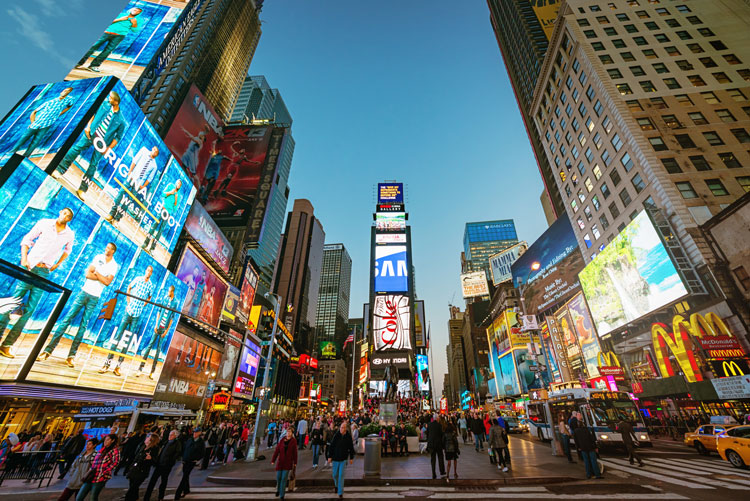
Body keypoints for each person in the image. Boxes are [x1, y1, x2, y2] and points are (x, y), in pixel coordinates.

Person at [0, 208, 75, 359]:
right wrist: (24, 259)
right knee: (13, 304)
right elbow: (27, 240)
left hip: (44, 272)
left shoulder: (69, 234)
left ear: (70, 219)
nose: (65, 216)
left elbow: (68, 250)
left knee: (29, 310)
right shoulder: (45, 223)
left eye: (69, 216)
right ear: (60, 213)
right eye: (64, 213)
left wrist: (56, 265)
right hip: (30, 267)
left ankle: (6, 345)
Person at [39, 242, 118, 368]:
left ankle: (71, 356)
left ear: (113, 251)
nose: (106, 249)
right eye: (106, 247)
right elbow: (88, 274)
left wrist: (96, 273)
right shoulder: (98, 257)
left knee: (83, 326)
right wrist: (100, 276)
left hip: (94, 298)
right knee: (66, 320)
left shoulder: (114, 265)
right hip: (83, 293)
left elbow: (108, 282)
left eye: (109, 248)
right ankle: (47, 351)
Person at [56, 91, 126, 198]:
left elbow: (118, 137)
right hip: (92, 133)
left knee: (93, 165)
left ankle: (82, 190)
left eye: (110, 98)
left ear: (116, 102)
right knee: (76, 149)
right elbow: (93, 115)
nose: (108, 99)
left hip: (102, 143)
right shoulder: (104, 104)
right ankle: (59, 170)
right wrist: (88, 127)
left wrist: (108, 149)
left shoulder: (121, 120)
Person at [98, 266, 155, 376]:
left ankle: (118, 367)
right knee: (117, 337)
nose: (148, 272)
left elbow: (149, 297)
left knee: (127, 342)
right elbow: (129, 288)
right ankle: (107, 364)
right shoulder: (138, 279)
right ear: (145, 271)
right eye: (147, 270)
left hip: (137, 315)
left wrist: (143, 305)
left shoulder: (150, 285)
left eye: (150, 271)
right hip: (128, 311)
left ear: (151, 273)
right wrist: (128, 301)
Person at [11, 87, 75, 158]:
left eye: (67, 91)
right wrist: (32, 122)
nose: (65, 92)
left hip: (46, 125)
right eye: (64, 90)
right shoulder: (49, 102)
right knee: (23, 139)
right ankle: (11, 154)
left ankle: (25, 156)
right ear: (61, 92)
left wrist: (60, 113)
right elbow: (34, 112)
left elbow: (70, 105)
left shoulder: (68, 100)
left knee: (35, 143)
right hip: (36, 124)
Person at [76, 7, 143, 72]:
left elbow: (135, 30)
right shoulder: (120, 14)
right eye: (135, 10)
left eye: (138, 11)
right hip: (106, 33)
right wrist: (120, 19)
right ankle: (79, 63)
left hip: (119, 36)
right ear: (131, 9)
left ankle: (94, 66)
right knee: (93, 47)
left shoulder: (139, 20)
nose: (136, 11)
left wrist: (134, 23)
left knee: (108, 51)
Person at [106, 145, 160, 225]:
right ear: (152, 148)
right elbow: (135, 161)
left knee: (128, 201)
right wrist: (130, 172)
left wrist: (143, 186)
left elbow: (150, 178)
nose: (154, 152)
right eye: (154, 149)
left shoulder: (154, 166)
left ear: (157, 155)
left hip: (138, 184)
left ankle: (117, 219)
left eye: (156, 152)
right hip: (131, 177)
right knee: (121, 193)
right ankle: (111, 213)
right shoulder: (144, 150)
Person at [135, 285, 178, 379]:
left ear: (172, 292)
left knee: (158, 351)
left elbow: (172, 318)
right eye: (168, 291)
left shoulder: (175, 303)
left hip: (164, 329)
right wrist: (156, 324)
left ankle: (152, 372)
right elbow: (159, 311)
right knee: (149, 346)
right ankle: (140, 369)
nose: (168, 293)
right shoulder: (164, 299)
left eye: (169, 291)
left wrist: (166, 330)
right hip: (158, 327)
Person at [76, 434, 119, 501]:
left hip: (101, 477)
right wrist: (90, 469)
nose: (105, 441)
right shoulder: (102, 449)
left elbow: (116, 462)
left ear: (113, 440)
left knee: (93, 497)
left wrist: (105, 471)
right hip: (92, 475)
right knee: (79, 497)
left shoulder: (114, 451)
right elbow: (95, 461)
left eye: (108, 440)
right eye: (105, 440)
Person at [143, 179, 183, 252]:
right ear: (176, 182)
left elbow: (175, 209)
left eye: (180, 184)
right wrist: (170, 193)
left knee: (160, 230)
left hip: (168, 213)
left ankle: (152, 248)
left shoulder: (179, 196)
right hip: (162, 209)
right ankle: (145, 242)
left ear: (180, 186)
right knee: (154, 225)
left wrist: (176, 200)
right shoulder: (170, 186)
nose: (178, 185)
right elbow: (163, 194)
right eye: (178, 183)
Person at [143, 429, 182, 501]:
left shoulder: (177, 443)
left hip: (166, 466)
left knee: (163, 482)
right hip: (159, 464)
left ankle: (160, 497)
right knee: (152, 481)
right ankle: (146, 497)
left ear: (175, 436)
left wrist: (170, 462)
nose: (169, 436)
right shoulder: (166, 442)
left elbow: (177, 454)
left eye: (172, 435)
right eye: (170, 434)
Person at [123, 432, 159, 501]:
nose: (146, 438)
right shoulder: (143, 446)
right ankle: (136, 498)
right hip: (134, 469)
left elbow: (155, 461)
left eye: (148, 437)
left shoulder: (154, 449)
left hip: (141, 472)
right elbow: (136, 457)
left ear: (151, 440)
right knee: (133, 487)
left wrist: (150, 458)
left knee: (132, 489)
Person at [326, 421, 355, 499]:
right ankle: (336, 485)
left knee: (341, 475)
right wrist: (329, 456)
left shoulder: (348, 436)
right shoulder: (336, 435)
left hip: (343, 458)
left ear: (346, 429)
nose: (341, 429)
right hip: (335, 458)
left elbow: (351, 447)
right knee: (335, 475)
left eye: (343, 428)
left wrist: (351, 457)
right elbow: (331, 446)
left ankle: (340, 492)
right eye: (341, 427)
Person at [175, 427, 205, 500]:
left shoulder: (201, 442)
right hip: (185, 460)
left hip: (192, 461)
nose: (194, 433)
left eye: (196, 432)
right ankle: (186, 490)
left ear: (199, 433)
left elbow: (202, 453)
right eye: (194, 432)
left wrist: (196, 459)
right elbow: (185, 448)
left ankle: (178, 494)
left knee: (185, 476)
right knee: (186, 475)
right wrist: (183, 457)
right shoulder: (189, 439)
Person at [271, 427, 297, 500]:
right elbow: (277, 450)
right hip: (280, 462)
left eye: (290, 432)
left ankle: (282, 494)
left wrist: (295, 462)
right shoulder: (282, 440)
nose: (288, 433)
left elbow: (295, 453)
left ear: (292, 433)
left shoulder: (293, 441)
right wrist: (273, 459)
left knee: (284, 479)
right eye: (287, 432)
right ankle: (278, 490)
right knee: (278, 478)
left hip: (288, 462)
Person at [427, 414, 446, 479]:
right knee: (440, 457)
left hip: (431, 444)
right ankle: (442, 471)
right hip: (438, 444)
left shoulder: (429, 424)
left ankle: (433, 473)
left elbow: (427, 433)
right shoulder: (439, 425)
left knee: (433, 459)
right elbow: (441, 434)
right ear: (437, 418)